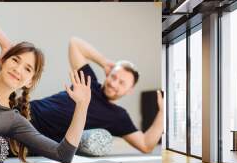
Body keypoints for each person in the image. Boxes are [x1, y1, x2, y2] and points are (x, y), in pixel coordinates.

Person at [0, 3, 91, 163]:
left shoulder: (12, 121)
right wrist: (5, 44)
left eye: (28, 69)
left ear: (29, 82)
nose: (18, 69)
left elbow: (63, 154)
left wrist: (82, 106)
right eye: (15, 59)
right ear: (3, 60)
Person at [30, 37, 164, 154]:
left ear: (129, 90)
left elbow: (146, 145)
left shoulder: (118, 116)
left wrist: (163, 112)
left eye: (122, 83)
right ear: (108, 74)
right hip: (27, 111)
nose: (114, 84)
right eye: (113, 77)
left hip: (35, 137)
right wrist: (104, 62)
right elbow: (75, 43)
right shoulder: (90, 81)